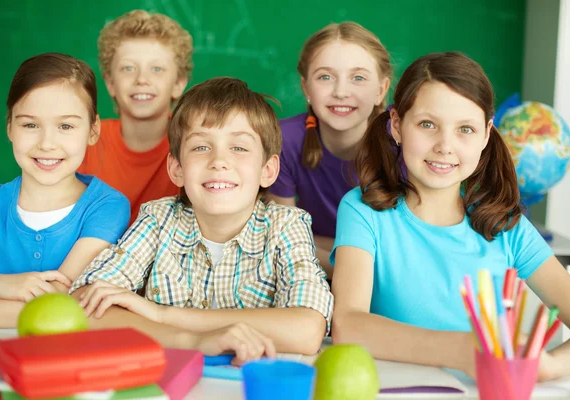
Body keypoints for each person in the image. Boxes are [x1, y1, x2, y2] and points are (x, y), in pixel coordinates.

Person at [331, 52, 570, 381]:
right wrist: (462, 350)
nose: (444, 145)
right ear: (396, 125)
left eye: (465, 129)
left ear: (485, 135)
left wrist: (549, 367)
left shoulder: (507, 227)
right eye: (427, 124)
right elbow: (348, 324)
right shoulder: (363, 210)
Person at [71, 77, 333, 364]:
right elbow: (85, 304)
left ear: (268, 170)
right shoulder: (158, 220)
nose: (219, 161)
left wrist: (161, 315)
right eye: (200, 147)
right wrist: (194, 341)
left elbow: (307, 330)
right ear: (177, 168)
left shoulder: (286, 226)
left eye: (239, 148)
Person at [0, 53, 130, 327]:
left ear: (93, 130)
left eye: (65, 126)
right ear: (9, 128)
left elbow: (62, 301)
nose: (47, 143)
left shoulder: (107, 206)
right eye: (30, 125)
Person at [266, 22, 391, 278]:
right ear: (306, 88)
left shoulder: (403, 142)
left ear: (381, 90)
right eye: (325, 77)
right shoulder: (284, 141)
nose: (341, 92)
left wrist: (317, 243)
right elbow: (284, 240)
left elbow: (404, 248)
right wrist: (359, 271)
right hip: (318, 276)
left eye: (358, 77)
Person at [78, 10, 192, 222]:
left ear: (178, 84)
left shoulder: (194, 147)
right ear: (110, 83)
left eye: (157, 69)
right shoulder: (82, 141)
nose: (141, 79)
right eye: (128, 68)